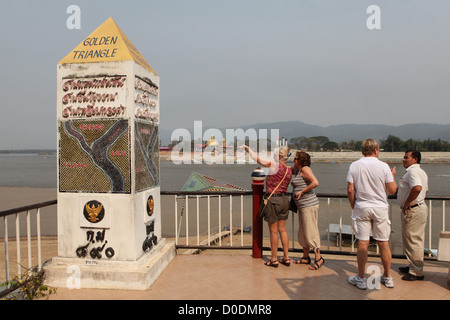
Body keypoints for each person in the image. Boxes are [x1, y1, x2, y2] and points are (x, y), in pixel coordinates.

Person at [346, 139, 397, 289]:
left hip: (362, 207)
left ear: (363, 150)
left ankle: (361, 278)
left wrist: (353, 205)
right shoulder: (384, 166)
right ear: (376, 150)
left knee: (363, 243)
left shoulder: (354, 165)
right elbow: (393, 190)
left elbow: (350, 189)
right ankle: (387, 277)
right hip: (380, 208)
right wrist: (392, 175)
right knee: (383, 243)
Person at [243, 145, 292, 267]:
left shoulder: (273, 165)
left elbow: (257, 159)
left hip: (273, 199)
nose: (273, 156)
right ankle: (286, 257)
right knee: (283, 229)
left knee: (273, 231)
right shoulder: (289, 169)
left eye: (275, 154)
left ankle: (274, 259)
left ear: (280, 156)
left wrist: (248, 149)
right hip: (285, 199)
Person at [397, 150, 429, 281]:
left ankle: (416, 271)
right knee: (412, 240)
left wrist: (407, 203)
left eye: (406, 157)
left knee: (413, 240)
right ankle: (413, 265)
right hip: (418, 207)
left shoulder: (413, 172)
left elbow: (417, 188)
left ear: (415, 159)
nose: (404, 160)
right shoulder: (421, 172)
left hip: (413, 209)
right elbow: (424, 190)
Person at [291, 151, 324, 270]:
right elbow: (283, 168)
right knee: (303, 231)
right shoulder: (297, 170)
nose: (293, 160)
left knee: (311, 231)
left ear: (300, 160)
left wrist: (302, 192)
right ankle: (305, 257)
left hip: (309, 205)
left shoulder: (305, 169)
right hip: (302, 206)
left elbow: (315, 182)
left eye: (294, 158)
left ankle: (318, 258)